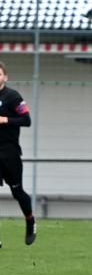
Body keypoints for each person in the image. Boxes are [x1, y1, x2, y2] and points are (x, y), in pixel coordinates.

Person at [0, 61, 36, 247]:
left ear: (5, 77)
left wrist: (5, 119)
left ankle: (30, 220)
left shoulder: (12, 96)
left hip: (10, 154)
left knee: (17, 191)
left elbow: (26, 120)